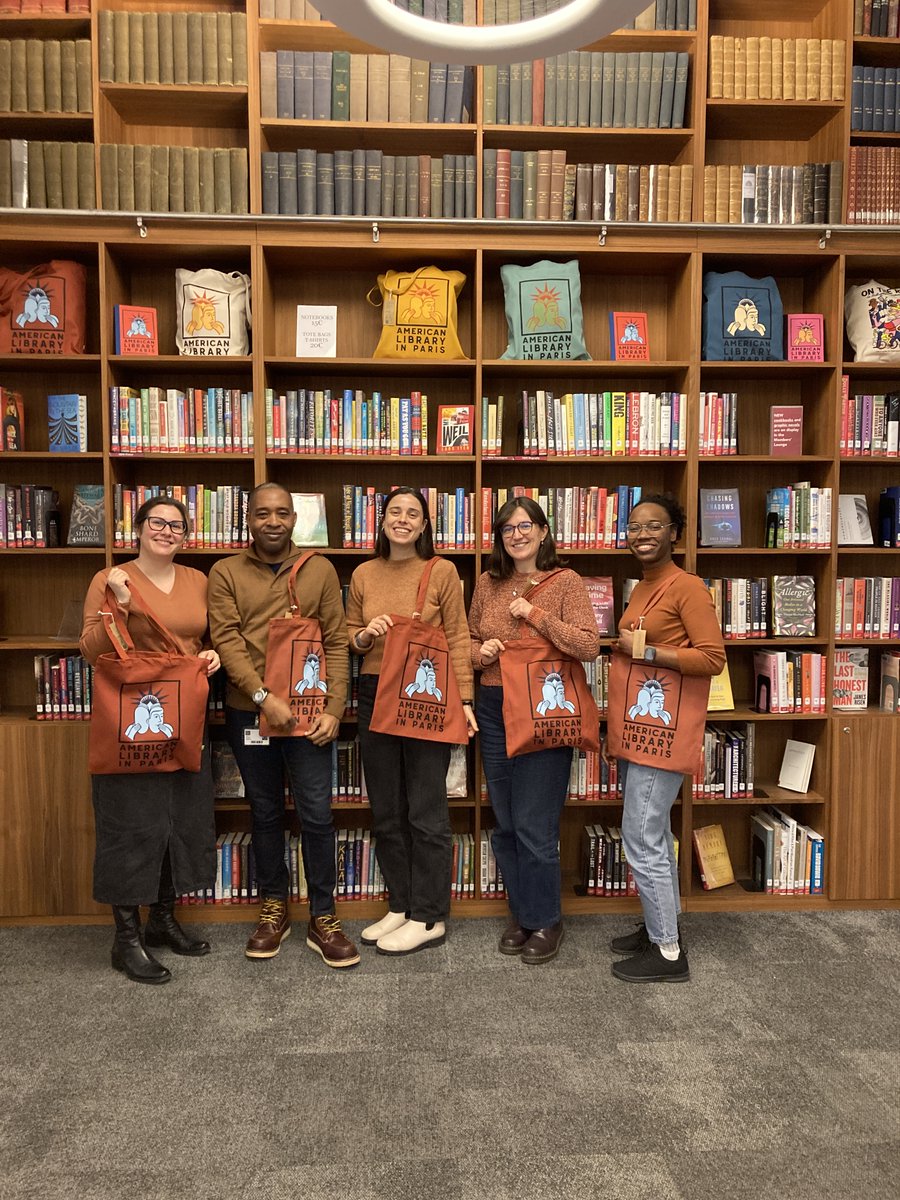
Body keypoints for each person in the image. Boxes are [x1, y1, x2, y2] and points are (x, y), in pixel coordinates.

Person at [207, 483, 359, 968]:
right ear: (247, 519)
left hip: (311, 714)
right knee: (266, 812)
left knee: (317, 814)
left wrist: (335, 707)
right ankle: (273, 908)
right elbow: (226, 641)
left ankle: (323, 916)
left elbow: (336, 643)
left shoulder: (318, 570)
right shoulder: (225, 571)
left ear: (295, 519)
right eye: (261, 514)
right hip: (248, 712)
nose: (272, 522)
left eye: (281, 514)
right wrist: (262, 697)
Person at [80, 497, 220, 985]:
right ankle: (126, 939)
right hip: (130, 720)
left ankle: (162, 921)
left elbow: (199, 640)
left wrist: (210, 656)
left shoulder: (197, 581)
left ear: (186, 534)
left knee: (176, 821)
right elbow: (91, 651)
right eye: (157, 523)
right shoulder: (110, 578)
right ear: (136, 528)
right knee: (129, 824)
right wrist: (117, 605)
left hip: (183, 715)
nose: (166, 531)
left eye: (176, 525)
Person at [469, 497, 600, 964]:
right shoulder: (487, 582)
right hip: (493, 703)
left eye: (526, 525)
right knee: (505, 821)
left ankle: (546, 919)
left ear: (544, 531)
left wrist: (534, 614)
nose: (517, 534)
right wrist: (479, 652)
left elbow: (588, 646)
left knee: (534, 822)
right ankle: (522, 913)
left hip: (545, 709)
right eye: (507, 528)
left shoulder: (565, 582)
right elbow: (467, 639)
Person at [346, 487, 477, 955]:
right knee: (386, 810)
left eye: (413, 514)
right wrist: (364, 634)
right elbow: (348, 636)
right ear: (381, 521)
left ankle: (429, 915)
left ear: (424, 526)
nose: (402, 519)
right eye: (394, 512)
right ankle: (400, 905)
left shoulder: (440, 571)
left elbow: (459, 637)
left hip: (427, 695)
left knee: (425, 811)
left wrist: (464, 700)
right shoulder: (362, 572)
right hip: (374, 691)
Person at [608, 493, 725, 983]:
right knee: (651, 831)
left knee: (641, 835)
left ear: (674, 532)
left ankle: (668, 953)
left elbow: (713, 658)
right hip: (641, 727)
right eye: (634, 527)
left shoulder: (688, 587)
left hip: (665, 729)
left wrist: (650, 653)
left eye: (654, 526)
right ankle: (662, 923)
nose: (642, 535)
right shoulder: (642, 586)